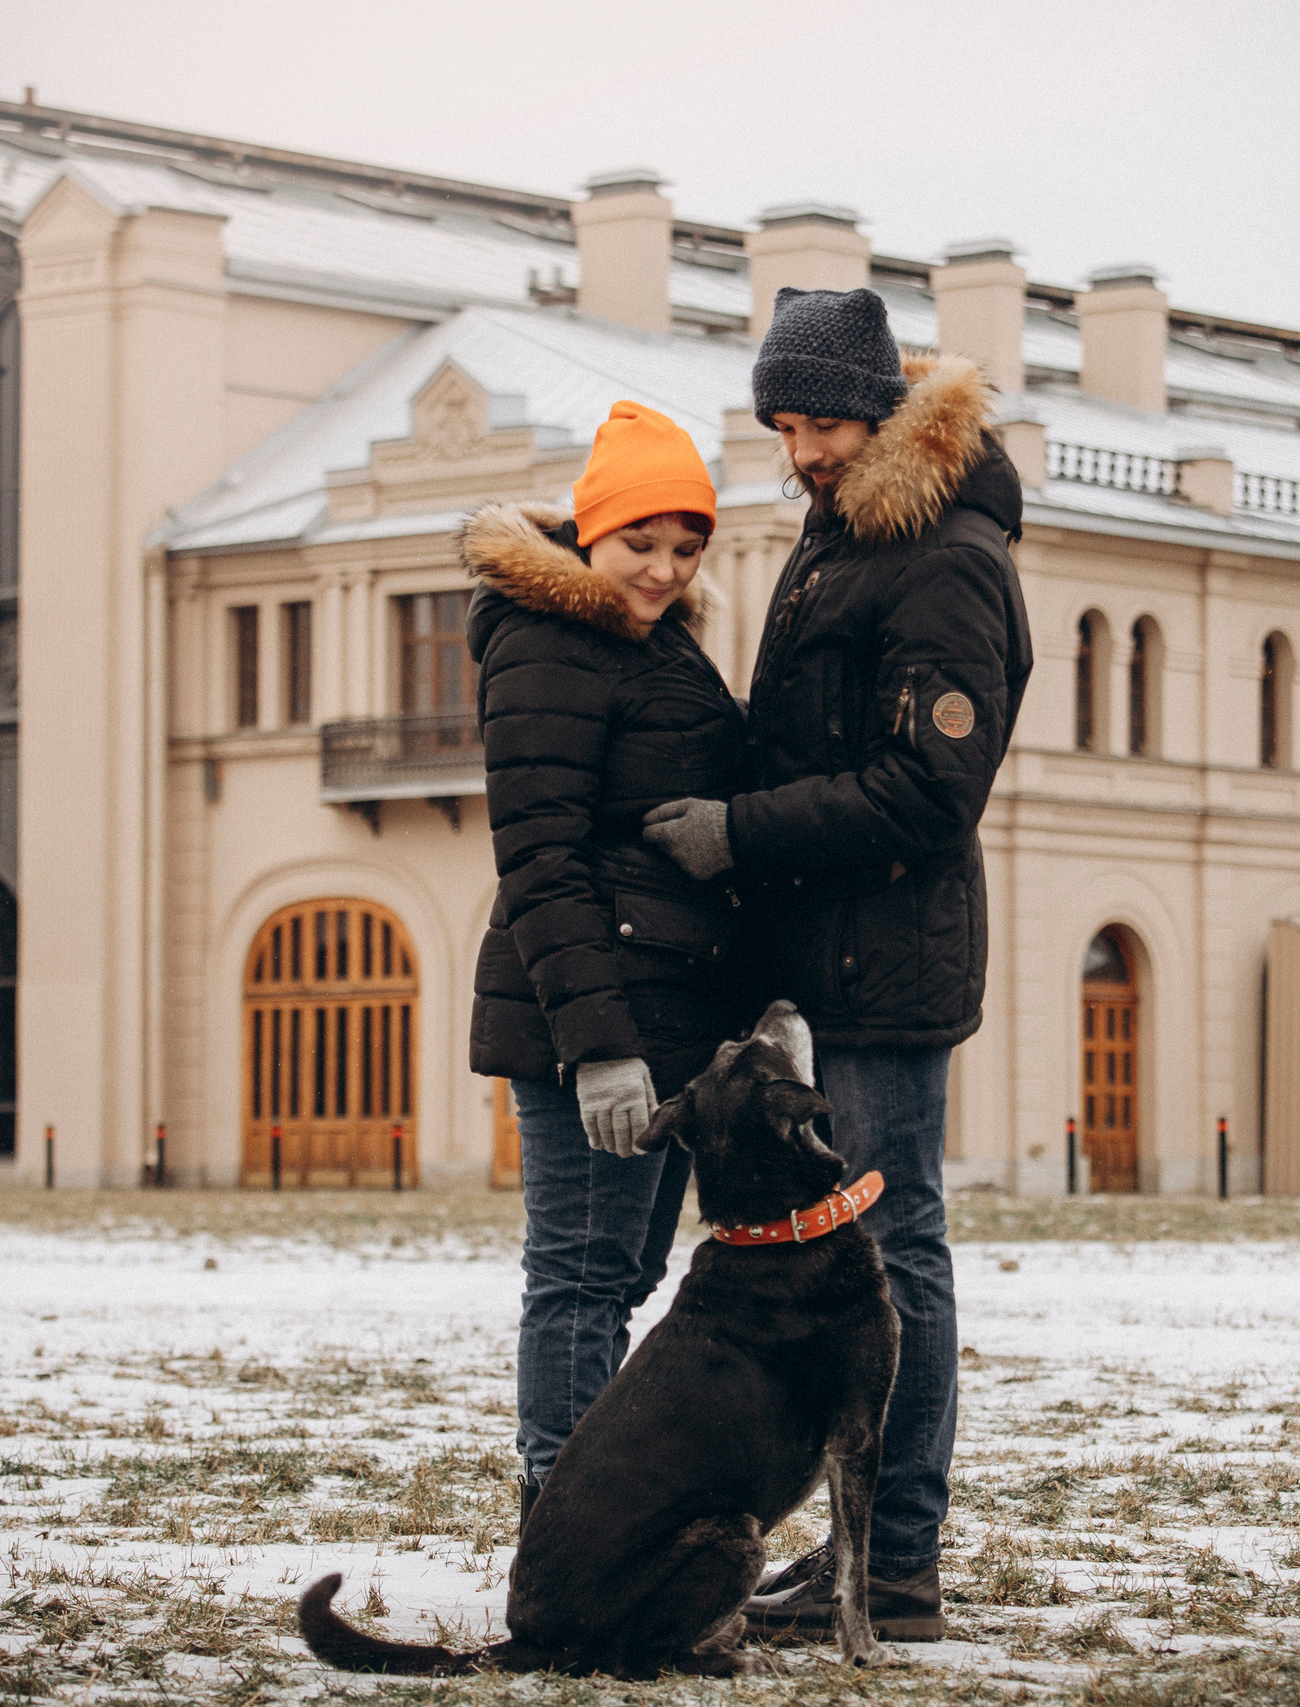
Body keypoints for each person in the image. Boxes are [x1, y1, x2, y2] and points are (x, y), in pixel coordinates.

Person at [643, 286, 1032, 1641]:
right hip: (828, 952)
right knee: (869, 1248)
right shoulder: (841, 537)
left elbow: (934, 787)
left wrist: (740, 828)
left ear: (883, 411)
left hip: (893, 955)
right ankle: (864, 1558)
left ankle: (901, 1565)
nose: (802, 445)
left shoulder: (947, 558)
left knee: (894, 1253)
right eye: (785, 422)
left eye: (822, 418)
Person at [462, 400, 752, 1529]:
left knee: (615, 1282)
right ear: (590, 533)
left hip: (660, 1016)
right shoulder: (546, 640)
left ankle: (591, 1512)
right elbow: (538, 858)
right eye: (641, 544)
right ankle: (563, 1525)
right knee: (578, 1282)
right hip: (594, 1023)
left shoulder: (649, 637)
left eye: (687, 550)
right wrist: (598, 1050)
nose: (664, 569)